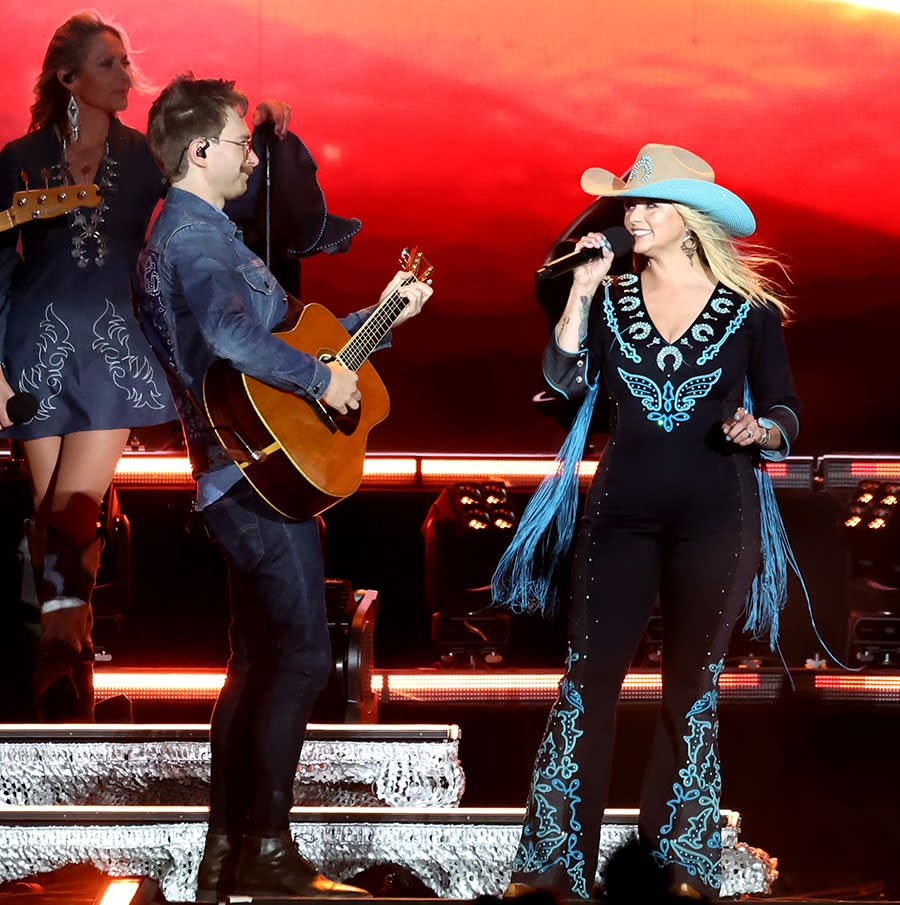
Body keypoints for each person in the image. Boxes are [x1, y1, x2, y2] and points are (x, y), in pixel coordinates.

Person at [134, 74, 431, 901]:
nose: (254, 157)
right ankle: (266, 850)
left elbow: (289, 340)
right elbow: (234, 339)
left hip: (242, 477)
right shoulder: (193, 237)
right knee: (301, 654)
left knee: (257, 661)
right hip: (252, 481)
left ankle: (226, 853)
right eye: (241, 142)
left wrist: (381, 319)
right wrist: (314, 378)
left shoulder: (196, 235)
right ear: (199, 151)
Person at [494, 144, 800, 899]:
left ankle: (677, 869)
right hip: (619, 513)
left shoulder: (750, 312)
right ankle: (551, 870)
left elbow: (786, 405)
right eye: (629, 203)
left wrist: (762, 433)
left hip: (716, 516)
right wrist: (579, 292)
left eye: (648, 204)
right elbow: (564, 386)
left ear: (690, 221)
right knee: (587, 682)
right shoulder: (608, 296)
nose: (632, 216)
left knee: (690, 687)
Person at [0, 11, 291, 719]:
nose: (126, 75)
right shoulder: (18, 158)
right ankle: (74, 682)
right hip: (33, 350)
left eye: (127, 63)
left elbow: (222, 190)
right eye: (109, 64)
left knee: (72, 510)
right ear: (68, 78)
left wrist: (272, 139)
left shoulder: (144, 156)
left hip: (109, 349)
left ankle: (58, 669)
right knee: (53, 517)